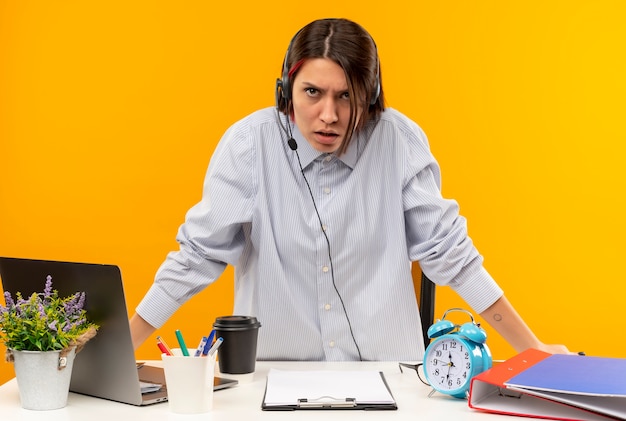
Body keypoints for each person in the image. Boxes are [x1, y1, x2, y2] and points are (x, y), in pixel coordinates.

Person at [130, 18, 570, 361]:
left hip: (393, 378)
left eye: (346, 96)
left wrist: (531, 349)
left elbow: (451, 253)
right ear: (285, 88)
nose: (328, 114)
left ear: (371, 93)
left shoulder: (398, 140)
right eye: (312, 92)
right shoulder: (249, 144)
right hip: (272, 380)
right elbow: (195, 258)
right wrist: (118, 351)